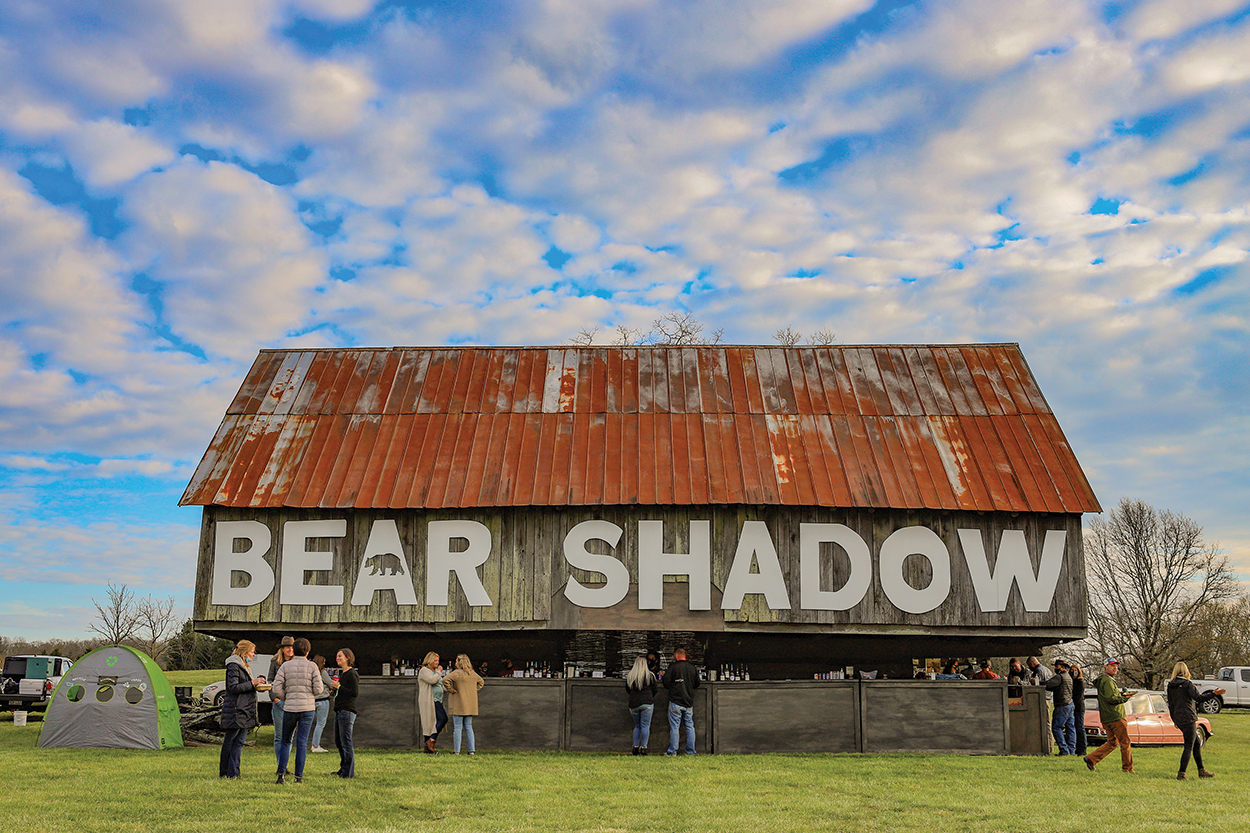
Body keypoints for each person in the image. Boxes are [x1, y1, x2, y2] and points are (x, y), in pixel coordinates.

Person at [272, 636, 323, 784]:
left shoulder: (285, 666)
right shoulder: (312, 666)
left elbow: (276, 687)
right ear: (307, 651)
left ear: (293, 650)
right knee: (301, 742)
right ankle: (298, 777)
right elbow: (319, 689)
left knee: (286, 740)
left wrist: (286, 697)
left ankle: (281, 775)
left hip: (290, 708)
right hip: (307, 708)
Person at [1166, 661, 1224, 780]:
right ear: (1186, 671)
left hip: (1179, 718)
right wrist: (1213, 694)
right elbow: (1198, 698)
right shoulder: (1188, 684)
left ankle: (1201, 770)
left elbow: (1170, 704)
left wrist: (1174, 719)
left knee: (1196, 743)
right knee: (1189, 746)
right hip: (1188, 717)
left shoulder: (1171, 685)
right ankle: (1181, 773)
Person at [219, 639, 264, 778]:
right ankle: (225, 771)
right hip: (236, 710)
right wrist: (252, 683)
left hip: (244, 709)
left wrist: (257, 683)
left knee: (239, 742)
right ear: (244, 653)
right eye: (252, 652)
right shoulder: (233, 666)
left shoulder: (244, 666)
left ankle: (234, 772)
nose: (253, 655)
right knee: (230, 741)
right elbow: (233, 687)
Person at [1083, 657, 1134, 773]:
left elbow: (1108, 696)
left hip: (1107, 717)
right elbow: (1111, 698)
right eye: (1112, 665)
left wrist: (1119, 695)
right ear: (1106, 666)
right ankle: (1128, 769)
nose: (1115, 668)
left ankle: (1091, 759)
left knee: (1113, 742)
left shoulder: (1104, 680)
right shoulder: (1108, 681)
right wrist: (1124, 698)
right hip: (1116, 716)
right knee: (1125, 742)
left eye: (1116, 665)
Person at [443, 654, 485, 754]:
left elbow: (445, 680)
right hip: (470, 704)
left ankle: (457, 751)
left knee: (457, 727)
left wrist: (451, 690)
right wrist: (474, 690)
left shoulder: (456, 673)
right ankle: (472, 750)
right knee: (469, 727)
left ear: (459, 662)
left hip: (458, 703)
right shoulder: (472, 673)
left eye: (456, 661)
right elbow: (481, 682)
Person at [663, 648, 700, 755]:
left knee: (675, 727)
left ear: (676, 655)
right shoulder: (692, 668)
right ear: (685, 655)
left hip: (675, 701)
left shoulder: (673, 668)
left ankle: (672, 751)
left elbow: (665, 682)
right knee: (689, 726)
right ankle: (691, 751)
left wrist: (674, 686)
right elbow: (697, 683)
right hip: (688, 701)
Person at [267, 635, 295, 771]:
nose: (290, 649)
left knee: (289, 736)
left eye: (292, 647)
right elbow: (270, 680)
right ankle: (280, 764)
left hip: (293, 702)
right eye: (288, 647)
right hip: (279, 702)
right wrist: (274, 698)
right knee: (279, 735)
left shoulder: (298, 662)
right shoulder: (275, 662)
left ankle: (284, 763)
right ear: (282, 649)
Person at [329, 648, 358, 778]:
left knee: (346, 741)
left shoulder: (352, 674)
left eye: (340, 656)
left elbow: (354, 692)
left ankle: (348, 772)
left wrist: (339, 687)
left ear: (348, 657)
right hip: (340, 710)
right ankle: (343, 768)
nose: (338, 658)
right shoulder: (343, 674)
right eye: (337, 656)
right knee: (339, 741)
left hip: (347, 710)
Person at [625, 655, 658, 756]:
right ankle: (643, 748)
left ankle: (635, 747)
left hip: (634, 703)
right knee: (645, 726)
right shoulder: (650, 676)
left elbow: (628, 690)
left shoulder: (630, 676)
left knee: (637, 726)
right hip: (647, 702)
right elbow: (655, 690)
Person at [1045, 659, 1075, 755]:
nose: (1055, 668)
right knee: (1070, 728)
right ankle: (1071, 750)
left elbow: (1048, 684)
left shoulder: (1059, 677)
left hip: (1062, 705)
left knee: (1056, 727)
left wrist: (1037, 682)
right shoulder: (1069, 677)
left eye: (1056, 666)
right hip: (1070, 704)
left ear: (1062, 667)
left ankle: (1064, 750)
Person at [418, 651, 443, 753]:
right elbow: (432, 680)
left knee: (432, 722)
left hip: (437, 699)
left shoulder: (435, 671)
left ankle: (428, 747)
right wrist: (439, 672)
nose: (437, 663)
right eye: (435, 660)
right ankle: (431, 740)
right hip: (429, 700)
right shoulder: (424, 671)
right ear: (429, 661)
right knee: (440, 719)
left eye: (438, 660)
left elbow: (440, 684)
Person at [310, 654, 333, 753]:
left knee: (310, 724)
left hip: (312, 701)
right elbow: (330, 684)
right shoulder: (322, 672)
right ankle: (315, 746)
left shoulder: (310, 673)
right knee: (320, 723)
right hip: (323, 700)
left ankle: (310, 744)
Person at [1070, 663, 1088, 757]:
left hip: (1078, 707)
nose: (1073, 672)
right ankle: (1076, 747)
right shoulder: (1071, 681)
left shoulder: (1080, 682)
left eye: (1075, 670)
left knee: (1080, 727)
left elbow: (1078, 696)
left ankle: (1082, 749)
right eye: (1072, 670)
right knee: (1074, 727)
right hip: (1073, 707)